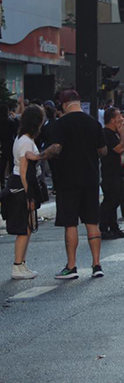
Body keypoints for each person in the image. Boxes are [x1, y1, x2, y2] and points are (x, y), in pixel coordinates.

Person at [29, 90, 107, 279]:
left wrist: (38, 156)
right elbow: (103, 151)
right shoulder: (94, 123)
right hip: (90, 179)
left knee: (70, 223)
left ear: (63, 105)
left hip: (68, 180)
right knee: (92, 222)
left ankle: (71, 266)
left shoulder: (60, 124)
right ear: (78, 102)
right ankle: (97, 264)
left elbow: (56, 148)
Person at [5, 105, 46, 280]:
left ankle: (21, 263)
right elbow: (23, 171)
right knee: (24, 228)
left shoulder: (23, 139)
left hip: (22, 185)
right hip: (22, 186)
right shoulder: (25, 142)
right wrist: (29, 195)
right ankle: (17, 265)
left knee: (28, 227)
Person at [98, 108, 124, 240]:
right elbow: (119, 149)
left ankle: (114, 227)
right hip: (110, 172)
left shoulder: (114, 133)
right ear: (112, 120)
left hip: (119, 171)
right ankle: (103, 227)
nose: (122, 119)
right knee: (110, 200)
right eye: (119, 116)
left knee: (117, 199)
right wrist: (122, 133)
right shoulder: (107, 133)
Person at [0, 103, 19, 188]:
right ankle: (11, 182)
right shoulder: (11, 122)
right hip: (11, 143)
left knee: (2, 165)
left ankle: (2, 182)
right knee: (11, 163)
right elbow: (15, 132)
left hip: (2, 144)